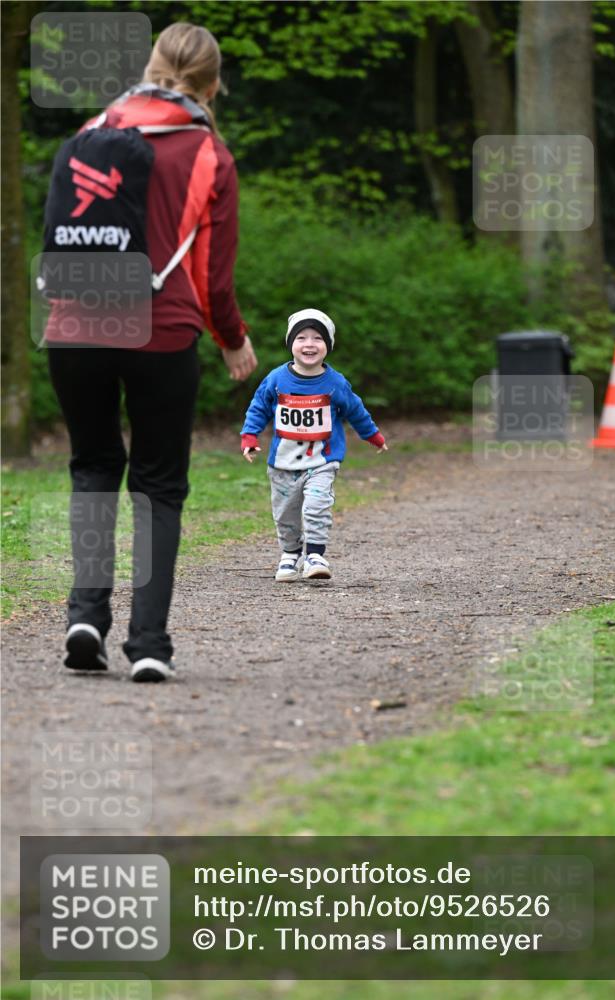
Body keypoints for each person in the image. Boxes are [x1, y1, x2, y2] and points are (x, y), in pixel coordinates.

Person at [45, 23, 257, 682]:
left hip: (72, 328)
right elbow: (211, 277)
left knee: (92, 468)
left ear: (151, 65)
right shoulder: (208, 154)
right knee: (158, 486)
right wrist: (233, 340)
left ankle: (85, 615)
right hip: (161, 332)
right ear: (213, 83)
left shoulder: (92, 130)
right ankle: (150, 645)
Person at [240, 309, 387, 581]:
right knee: (285, 514)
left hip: (322, 461)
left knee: (316, 506)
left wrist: (372, 435)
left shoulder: (335, 383)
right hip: (283, 463)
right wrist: (249, 436)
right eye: (302, 338)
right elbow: (258, 408)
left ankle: (316, 555)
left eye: (318, 338)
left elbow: (356, 410)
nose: (309, 344)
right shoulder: (275, 379)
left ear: (328, 346)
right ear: (290, 344)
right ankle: (290, 554)